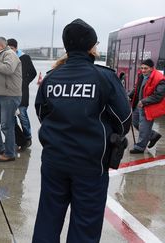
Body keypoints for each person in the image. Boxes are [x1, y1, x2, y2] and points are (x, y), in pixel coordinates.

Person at [32, 19, 132, 242]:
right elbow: (124, 120)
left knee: (48, 218)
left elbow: (42, 114)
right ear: (92, 47)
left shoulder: (51, 78)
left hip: (54, 160)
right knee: (85, 224)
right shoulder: (104, 77)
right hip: (90, 163)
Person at [128, 59, 165, 153]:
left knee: (144, 127)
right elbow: (137, 88)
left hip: (149, 106)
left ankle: (139, 147)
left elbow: (158, 96)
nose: (143, 70)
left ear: (152, 68)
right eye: (142, 68)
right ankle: (152, 135)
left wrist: (144, 101)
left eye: (146, 68)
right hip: (139, 104)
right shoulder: (141, 75)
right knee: (135, 122)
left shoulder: (159, 78)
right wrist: (129, 96)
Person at [7, 38, 37, 148]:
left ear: (16, 48)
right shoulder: (7, 58)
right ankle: (18, 139)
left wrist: (24, 83)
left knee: (22, 115)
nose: (9, 51)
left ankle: (28, 137)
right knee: (11, 117)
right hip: (9, 93)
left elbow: (33, 73)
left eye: (11, 49)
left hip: (22, 93)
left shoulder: (24, 58)